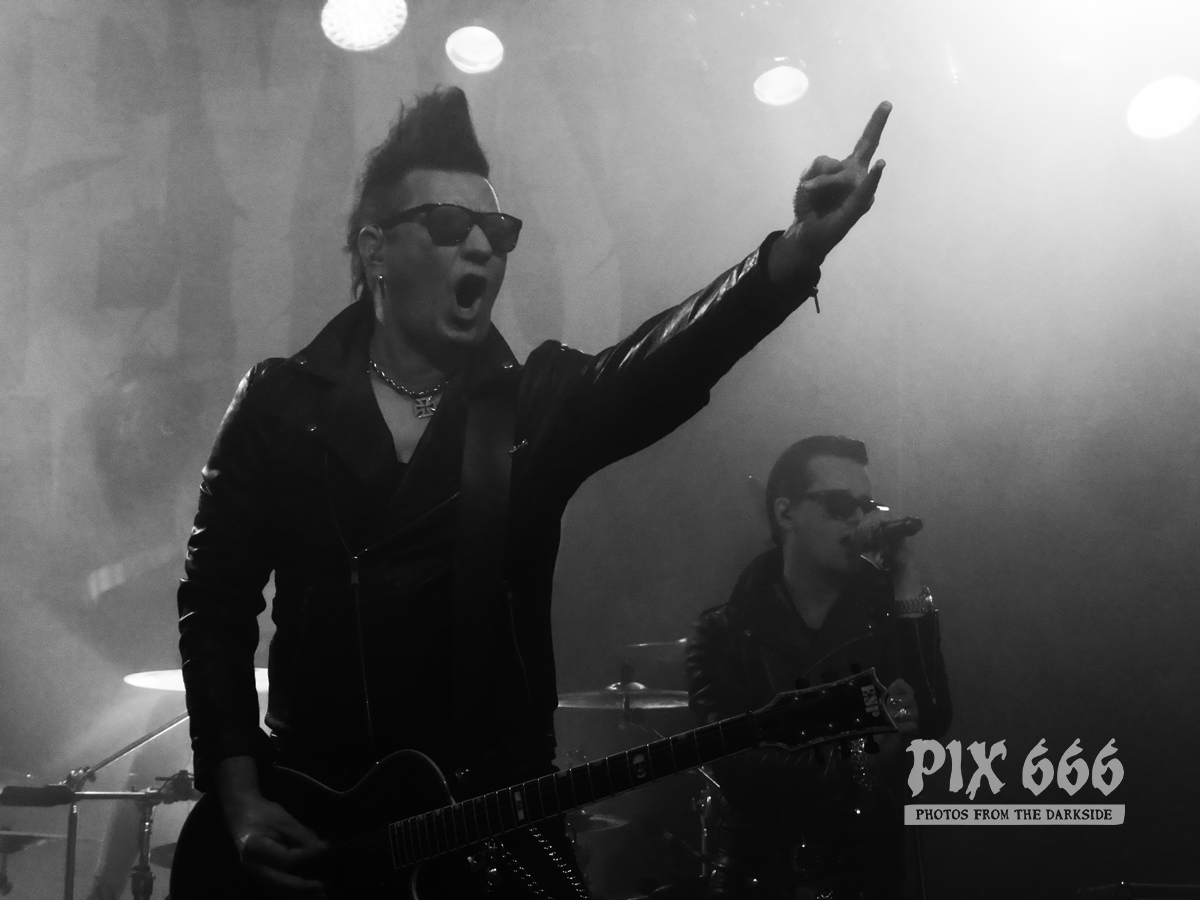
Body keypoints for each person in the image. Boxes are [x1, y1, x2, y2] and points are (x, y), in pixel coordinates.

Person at [176, 87, 892, 898]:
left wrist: (797, 249)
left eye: (499, 231)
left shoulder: (530, 409)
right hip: (319, 826)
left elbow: (667, 360)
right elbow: (214, 605)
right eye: (451, 225)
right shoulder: (280, 405)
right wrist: (238, 795)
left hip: (494, 823)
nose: (483, 247)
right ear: (376, 250)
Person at [687, 435, 952, 899]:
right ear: (786, 513)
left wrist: (907, 582)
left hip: (866, 881)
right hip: (758, 883)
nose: (858, 518)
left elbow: (931, 720)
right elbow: (737, 767)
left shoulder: (889, 613)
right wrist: (859, 763)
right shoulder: (724, 631)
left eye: (865, 505)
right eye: (839, 504)